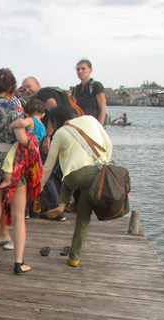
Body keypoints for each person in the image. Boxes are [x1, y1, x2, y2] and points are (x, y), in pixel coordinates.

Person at [0, 68, 36, 274]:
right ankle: (19, 262)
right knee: (18, 215)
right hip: (13, 164)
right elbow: (21, 139)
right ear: (12, 87)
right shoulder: (15, 109)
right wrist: (31, 141)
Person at [42, 106, 113, 266]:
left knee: (69, 176)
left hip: (75, 178)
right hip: (96, 174)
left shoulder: (60, 133)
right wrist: (105, 167)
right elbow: (108, 144)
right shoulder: (91, 119)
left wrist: (37, 189)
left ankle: (61, 205)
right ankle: (74, 257)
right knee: (83, 218)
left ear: (55, 121)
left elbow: (48, 167)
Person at [71, 58, 107, 126]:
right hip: (80, 125)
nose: (80, 71)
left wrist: (99, 128)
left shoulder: (96, 86)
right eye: (78, 69)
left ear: (90, 70)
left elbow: (103, 109)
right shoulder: (76, 89)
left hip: (93, 125)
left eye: (83, 69)